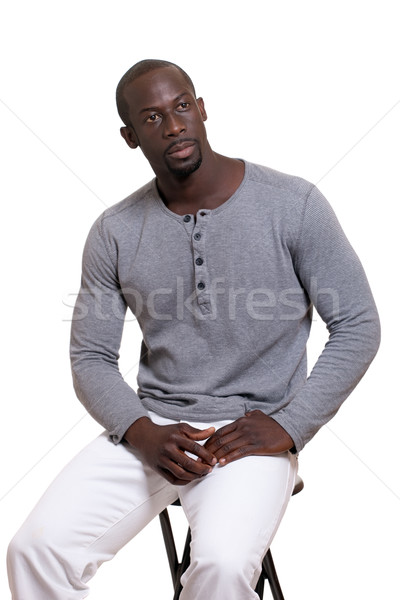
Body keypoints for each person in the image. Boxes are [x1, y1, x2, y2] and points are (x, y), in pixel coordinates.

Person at [7, 59, 380, 599]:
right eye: (153, 118)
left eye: (182, 107)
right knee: (33, 549)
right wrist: (143, 432)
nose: (174, 125)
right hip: (156, 427)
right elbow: (89, 358)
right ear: (130, 137)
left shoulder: (293, 204)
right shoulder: (114, 231)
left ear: (201, 109)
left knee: (223, 566)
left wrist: (290, 425)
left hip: (254, 433)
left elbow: (357, 325)